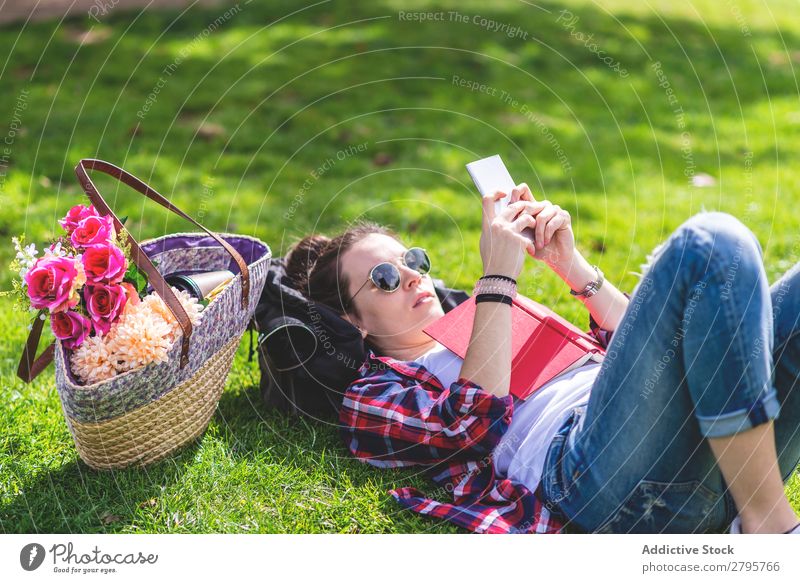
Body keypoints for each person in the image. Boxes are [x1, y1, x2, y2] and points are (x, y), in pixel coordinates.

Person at [283, 184, 800, 534]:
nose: (414, 276)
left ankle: (752, 511)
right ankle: (771, 527)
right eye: (386, 279)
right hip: (601, 478)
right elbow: (468, 426)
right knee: (712, 242)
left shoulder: (477, 314)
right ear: (354, 322)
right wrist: (497, 278)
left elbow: (648, 348)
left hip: (691, 443)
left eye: (411, 260)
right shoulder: (374, 393)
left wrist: (570, 265)